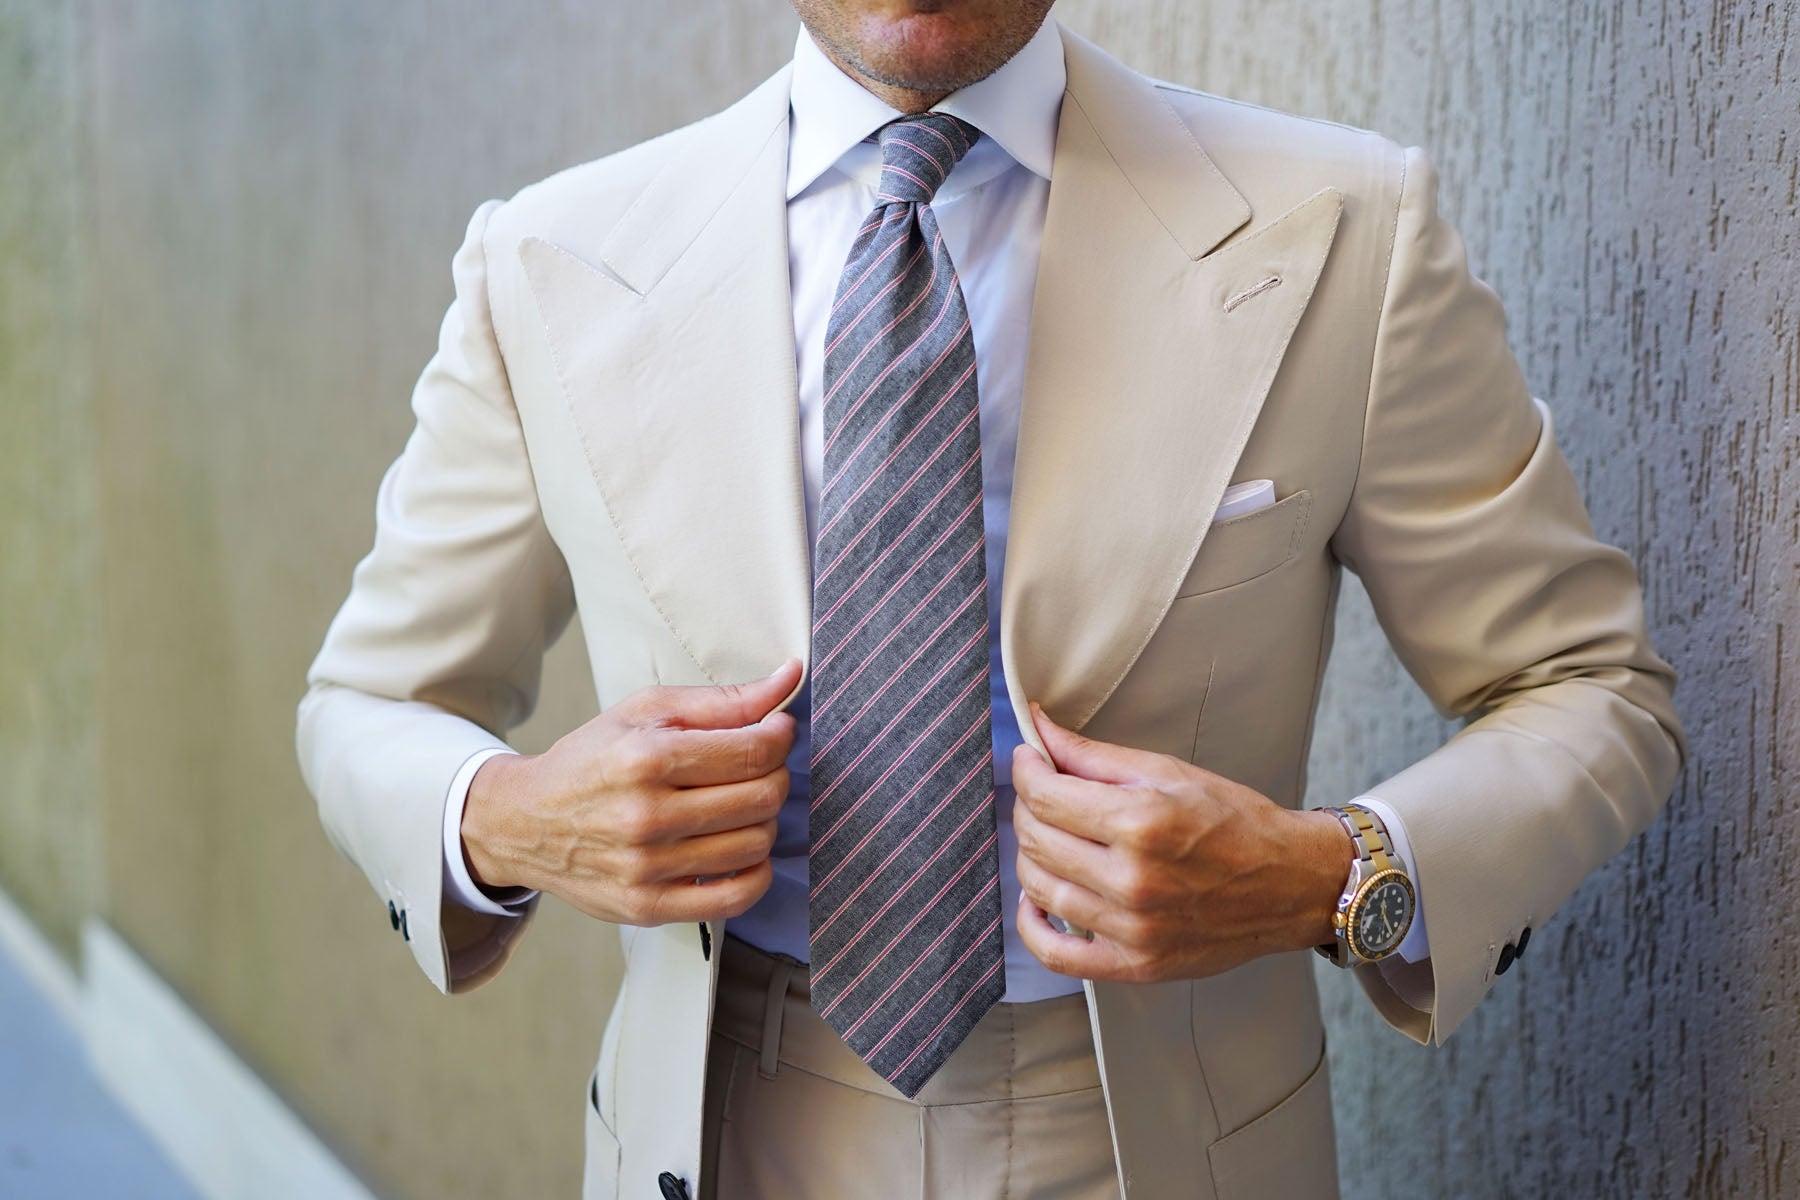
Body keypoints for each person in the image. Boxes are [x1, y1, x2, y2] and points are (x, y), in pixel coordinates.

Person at [295, 1, 1686, 1197]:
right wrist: (503, 820)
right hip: (726, 1127)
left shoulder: (1347, 232)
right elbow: (369, 701)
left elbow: (1590, 689)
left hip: (1158, 1138)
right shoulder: (549, 262)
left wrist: (1335, 878)